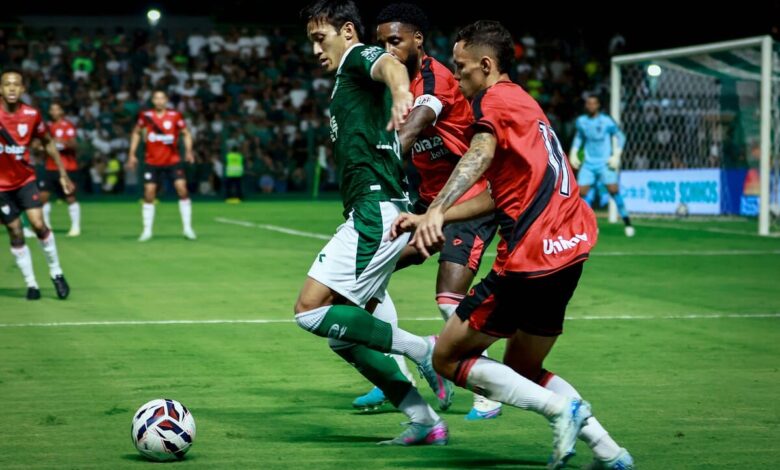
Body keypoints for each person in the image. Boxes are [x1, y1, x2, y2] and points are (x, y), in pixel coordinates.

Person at [394, 21, 633, 469]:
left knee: (447, 356)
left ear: (487, 65)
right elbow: (497, 193)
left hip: (530, 258)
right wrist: (438, 215)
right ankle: (609, 452)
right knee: (523, 368)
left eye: (462, 67)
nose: (457, 76)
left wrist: (434, 208)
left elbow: (477, 155)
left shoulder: (495, 101)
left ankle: (561, 410)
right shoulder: (525, 103)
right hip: (571, 249)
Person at [295, 0, 451, 446]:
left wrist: (402, 91)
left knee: (309, 311)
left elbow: (387, 64)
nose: (315, 50)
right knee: (344, 339)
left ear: (347, 31)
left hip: (374, 212)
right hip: (375, 208)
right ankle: (424, 422)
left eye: (319, 38)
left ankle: (424, 350)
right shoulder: (345, 78)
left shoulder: (357, 57)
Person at [352, 2, 502, 421]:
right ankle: (396, 379)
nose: (388, 49)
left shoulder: (436, 77)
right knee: (366, 275)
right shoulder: (392, 82)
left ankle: (487, 389)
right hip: (427, 203)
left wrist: (378, 160)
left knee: (448, 300)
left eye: (395, 40)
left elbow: (416, 123)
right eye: (381, 42)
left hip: (468, 200)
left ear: (418, 39)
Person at [0, 68, 73, 300]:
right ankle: (31, 284)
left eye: (16, 84)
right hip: (0, 187)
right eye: (6, 84)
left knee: (38, 224)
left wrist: (63, 173)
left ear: (22, 89)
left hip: (25, 180)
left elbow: (49, 142)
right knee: (15, 232)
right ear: (0, 89)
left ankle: (56, 272)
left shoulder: (32, 114)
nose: (11, 88)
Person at [127, 89, 196, 241]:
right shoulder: (146, 116)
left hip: (173, 160)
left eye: (162, 98)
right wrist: (132, 154)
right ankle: (147, 231)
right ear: (153, 100)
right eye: (156, 98)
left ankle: (187, 228)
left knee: (182, 189)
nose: (159, 101)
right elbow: (136, 132)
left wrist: (189, 151)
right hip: (152, 161)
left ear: (166, 100)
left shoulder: (175, 116)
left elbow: (186, 133)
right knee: (149, 193)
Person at [569, 95, 634, 237]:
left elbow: (620, 136)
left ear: (598, 105)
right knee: (582, 193)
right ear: (586, 106)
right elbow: (579, 137)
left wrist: (616, 154)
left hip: (605, 162)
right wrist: (573, 152)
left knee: (613, 190)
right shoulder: (582, 121)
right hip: (588, 163)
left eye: (594, 103)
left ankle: (627, 223)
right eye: (589, 104)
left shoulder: (606, 121)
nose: (591, 106)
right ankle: (589, 225)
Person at [39, 102, 81, 236]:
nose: (54, 111)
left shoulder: (67, 126)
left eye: (57, 109)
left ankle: (75, 227)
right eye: (52, 109)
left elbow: (74, 144)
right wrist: (42, 147)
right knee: (43, 196)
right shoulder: (47, 127)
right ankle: (46, 227)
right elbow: (39, 145)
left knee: (70, 196)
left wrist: (61, 142)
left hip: (67, 166)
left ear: (61, 111)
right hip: (50, 166)